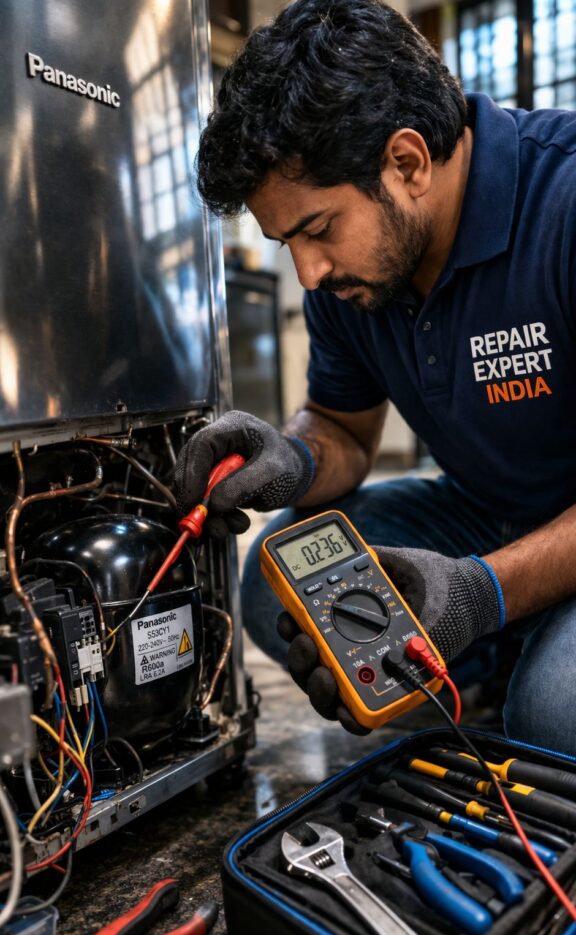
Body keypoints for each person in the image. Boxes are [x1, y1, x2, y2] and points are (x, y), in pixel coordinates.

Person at [174, 0, 576, 754]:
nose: (308, 272)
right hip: (487, 515)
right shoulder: (350, 280)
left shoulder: (565, 199)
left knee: (558, 713)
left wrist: (477, 593)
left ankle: (517, 649)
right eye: (284, 241)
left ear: (407, 162)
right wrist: (286, 459)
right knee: (278, 580)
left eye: (318, 229)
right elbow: (345, 432)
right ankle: (508, 647)